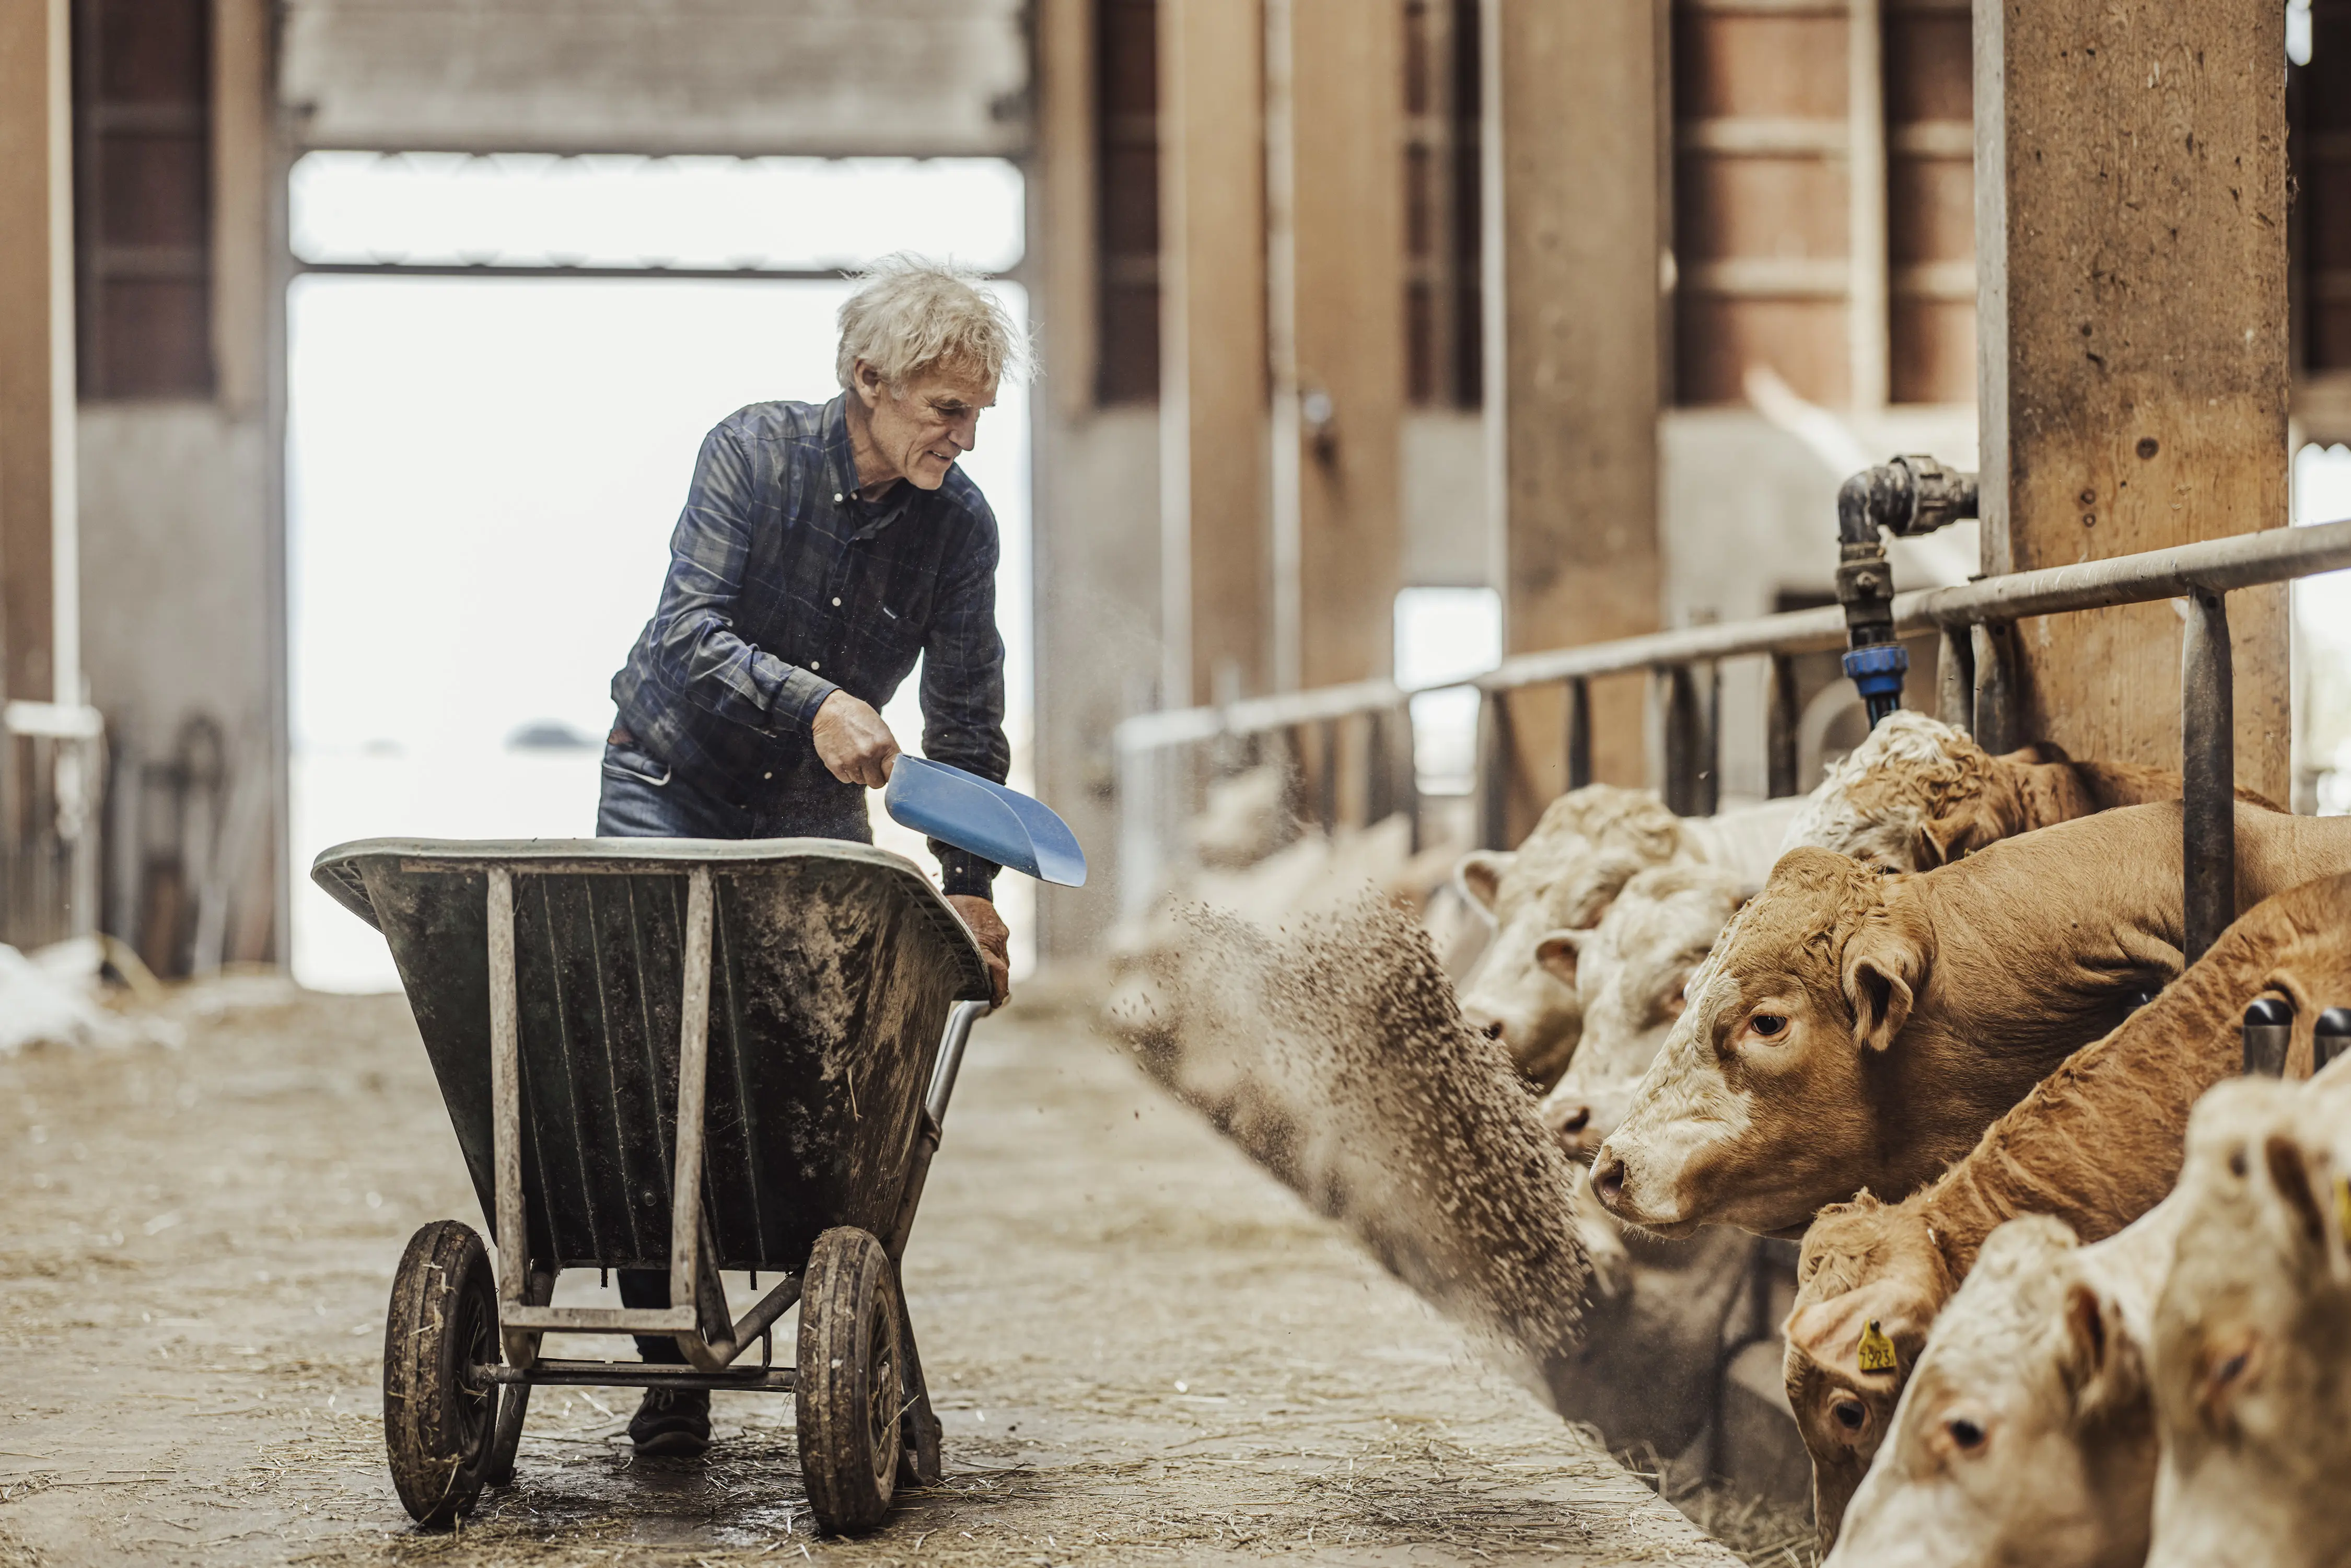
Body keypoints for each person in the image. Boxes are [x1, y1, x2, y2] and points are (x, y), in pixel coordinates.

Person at [597, 255, 1019, 1457]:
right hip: (667, 780)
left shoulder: (959, 529)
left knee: (827, 1081)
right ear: (867, 380)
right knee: (651, 1058)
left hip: (806, 807)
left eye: (980, 414)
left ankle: (853, 1347)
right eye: (948, 410)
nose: (967, 440)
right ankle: (674, 1371)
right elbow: (688, 634)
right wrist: (817, 701)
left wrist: (972, 890)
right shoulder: (750, 453)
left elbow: (970, 724)